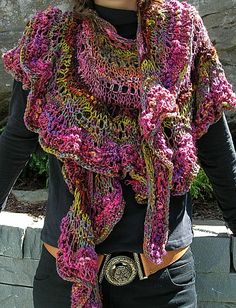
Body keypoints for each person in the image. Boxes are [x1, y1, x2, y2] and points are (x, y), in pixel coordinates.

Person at [1, 0, 236, 307]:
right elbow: (16, 142)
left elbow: (215, 147)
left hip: (163, 289)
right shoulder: (49, 35)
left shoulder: (184, 29)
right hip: (66, 284)